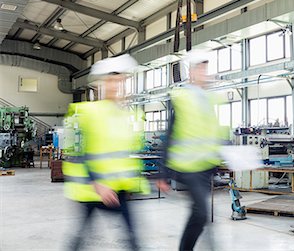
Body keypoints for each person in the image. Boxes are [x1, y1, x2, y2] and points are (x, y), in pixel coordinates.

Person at [62, 54, 149, 251]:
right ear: (102, 84)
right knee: (81, 236)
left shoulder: (126, 115)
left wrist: (132, 184)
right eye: (113, 81)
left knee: (132, 236)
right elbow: (76, 154)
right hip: (91, 189)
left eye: (121, 81)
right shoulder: (85, 112)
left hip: (117, 190)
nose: (118, 86)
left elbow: (125, 155)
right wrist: (97, 184)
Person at [157, 52, 223, 251]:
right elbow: (169, 135)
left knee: (203, 215)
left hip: (205, 167)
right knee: (202, 213)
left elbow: (211, 133)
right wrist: (162, 173)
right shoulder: (182, 97)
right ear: (192, 72)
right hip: (187, 167)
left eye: (205, 68)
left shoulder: (208, 99)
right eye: (199, 69)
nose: (203, 73)